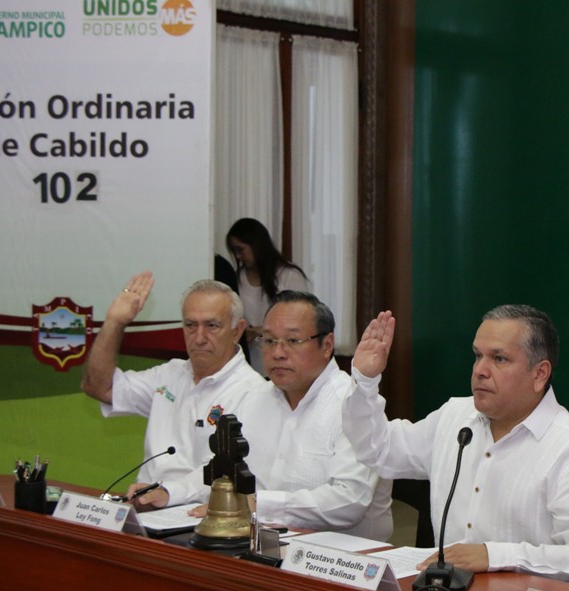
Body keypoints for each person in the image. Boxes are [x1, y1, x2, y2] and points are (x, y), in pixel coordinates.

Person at [343, 304, 569, 586]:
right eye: (477, 356)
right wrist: (365, 380)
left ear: (539, 374)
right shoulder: (454, 417)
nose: (480, 371)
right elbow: (377, 450)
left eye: (499, 359)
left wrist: (493, 555)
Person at [133, 290, 393, 542]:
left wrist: (259, 505)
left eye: (292, 341)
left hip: (341, 564)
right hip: (262, 549)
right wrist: (168, 492)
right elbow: (222, 469)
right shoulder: (256, 398)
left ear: (326, 345)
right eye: (269, 341)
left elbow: (349, 501)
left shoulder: (355, 405)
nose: (278, 352)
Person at [81, 272, 266, 498]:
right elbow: (99, 387)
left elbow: (226, 470)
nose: (199, 337)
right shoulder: (170, 374)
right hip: (146, 505)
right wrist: (114, 322)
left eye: (212, 326)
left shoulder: (253, 391)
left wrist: (167, 493)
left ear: (237, 330)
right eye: (190, 325)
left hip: (201, 517)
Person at [226, 217, 311, 375]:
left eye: (240, 249)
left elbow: (302, 322)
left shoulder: (289, 276)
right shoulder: (237, 280)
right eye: (234, 251)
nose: (238, 256)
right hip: (250, 365)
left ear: (256, 245)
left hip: (286, 361)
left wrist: (260, 330)